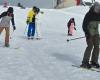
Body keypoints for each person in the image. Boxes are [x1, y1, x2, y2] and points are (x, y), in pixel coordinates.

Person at [80, 2, 100, 69]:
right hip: (89, 32)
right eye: (96, 8)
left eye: (99, 8)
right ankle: (85, 62)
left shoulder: (99, 14)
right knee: (90, 46)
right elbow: (84, 25)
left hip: (96, 33)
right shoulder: (89, 14)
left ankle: (94, 61)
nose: (97, 9)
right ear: (93, 7)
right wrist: (87, 33)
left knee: (97, 47)